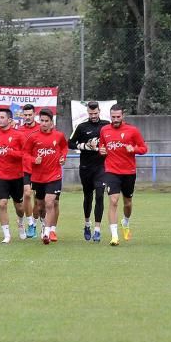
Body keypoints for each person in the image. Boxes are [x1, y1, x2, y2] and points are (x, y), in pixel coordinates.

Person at [98, 104, 148, 246]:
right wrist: (101, 151)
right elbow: (102, 148)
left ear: (123, 116)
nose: (115, 119)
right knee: (113, 201)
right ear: (110, 116)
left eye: (118, 117)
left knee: (127, 203)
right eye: (113, 117)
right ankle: (114, 236)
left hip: (129, 172)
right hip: (111, 171)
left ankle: (125, 222)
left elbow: (144, 148)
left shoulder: (132, 131)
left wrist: (134, 149)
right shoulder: (104, 130)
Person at [25, 109, 68, 245]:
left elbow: (64, 148)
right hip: (38, 177)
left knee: (50, 202)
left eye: (46, 121)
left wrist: (63, 157)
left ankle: (47, 232)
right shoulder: (33, 137)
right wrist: (33, 159)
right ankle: (43, 225)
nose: (43, 123)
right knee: (40, 206)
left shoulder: (59, 136)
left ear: (51, 122)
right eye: (41, 121)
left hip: (54, 175)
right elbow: (25, 154)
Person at [69, 100, 109, 241]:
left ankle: (97, 230)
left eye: (95, 113)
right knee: (88, 197)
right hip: (86, 168)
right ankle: (87, 224)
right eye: (91, 113)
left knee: (99, 195)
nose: (93, 115)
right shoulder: (81, 127)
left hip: (101, 167)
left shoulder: (106, 125)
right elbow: (70, 143)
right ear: (87, 112)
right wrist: (84, 146)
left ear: (99, 111)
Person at [0, 107, 25, 243]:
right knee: (2, 204)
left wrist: (11, 152)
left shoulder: (19, 135)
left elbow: (24, 154)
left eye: (2, 117)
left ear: (10, 120)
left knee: (19, 206)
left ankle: (20, 222)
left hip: (17, 176)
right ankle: (6, 235)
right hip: (1, 175)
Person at [17, 103, 41, 237]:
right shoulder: (19, 130)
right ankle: (30, 222)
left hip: (40, 169)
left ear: (34, 114)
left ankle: (35, 222)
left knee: (38, 201)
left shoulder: (40, 128)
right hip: (26, 168)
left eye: (30, 115)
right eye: (25, 115)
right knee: (27, 194)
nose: (27, 117)